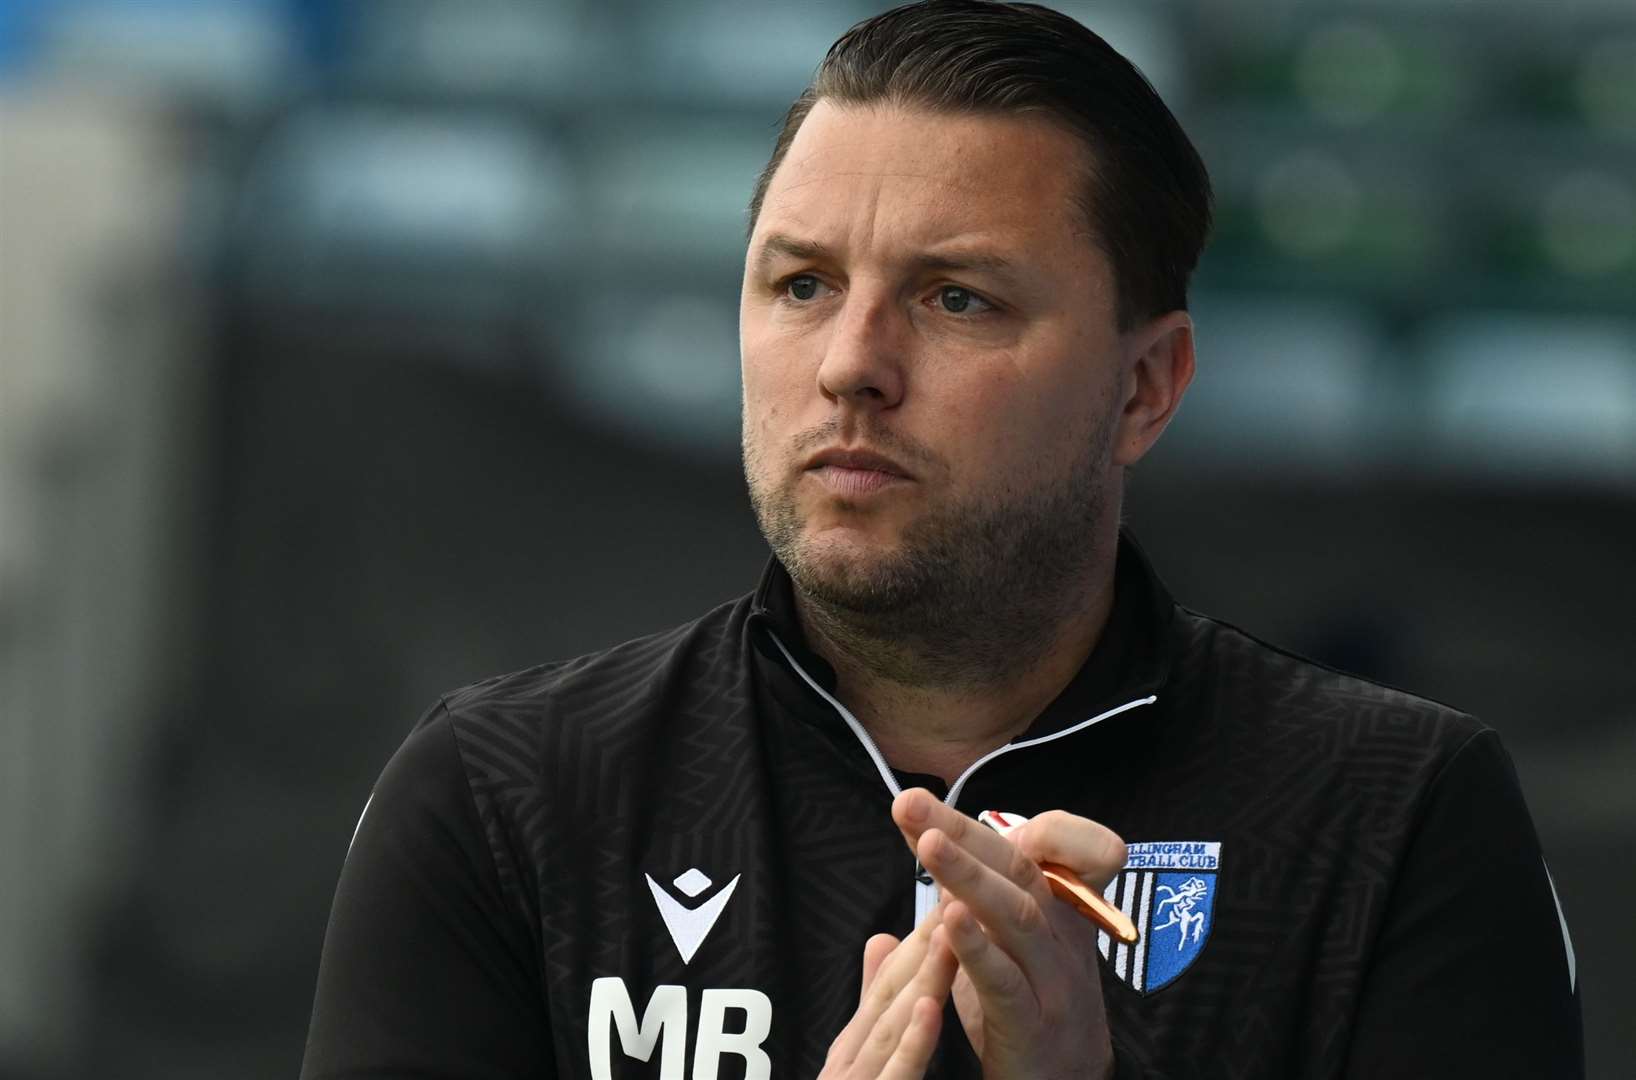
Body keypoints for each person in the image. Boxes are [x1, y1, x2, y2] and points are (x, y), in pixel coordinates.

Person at [299, 2, 1583, 1077]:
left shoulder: (1394, 817)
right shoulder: (507, 796)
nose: (852, 364)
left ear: (1143, 387)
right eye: (801, 286)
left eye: (955, 298)